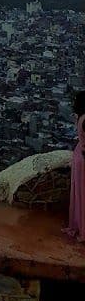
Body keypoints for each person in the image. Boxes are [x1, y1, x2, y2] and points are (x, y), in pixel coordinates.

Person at [64, 90, 85, 242]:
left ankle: (79, 224)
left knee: (80, 193)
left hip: (79, 155)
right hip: (84, 157)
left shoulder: (81, 117)